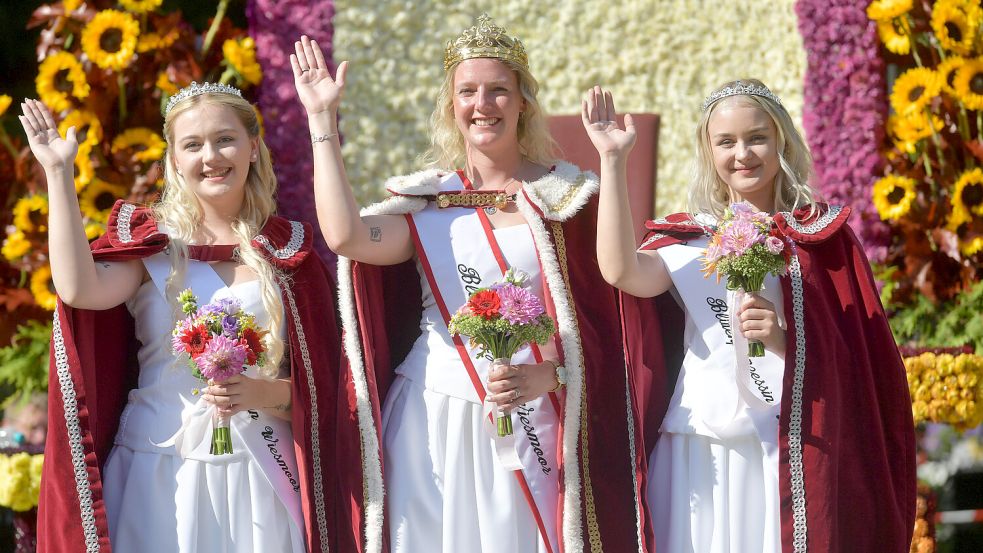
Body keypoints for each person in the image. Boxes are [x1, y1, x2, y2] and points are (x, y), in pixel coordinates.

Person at [292, 14, 647, 553]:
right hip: (431, 415)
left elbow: (608, 324)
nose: (483, 104)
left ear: (523, 102)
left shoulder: (567, 200)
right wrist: (322, 119)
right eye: (468, 91)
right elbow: (345, 236)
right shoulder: (426, 203)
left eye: (499, 90)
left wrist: (551, 376)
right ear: (451, 105)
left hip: (531, 415)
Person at [20, 83, 359, 552]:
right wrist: (58, 173)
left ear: (253, 148)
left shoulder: (287, 252)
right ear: (175, 159)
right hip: (159, 468)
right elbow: (80, 290)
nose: (211, 156)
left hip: (260, 474)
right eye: (193, 144)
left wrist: (264, 392)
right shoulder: (150, 247)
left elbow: (327, 387)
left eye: (225, 139)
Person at [585, 80, 916, 552]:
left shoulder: (823, 239)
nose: (743, 153)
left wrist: (786, 340)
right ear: (708, 150)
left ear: (781, 139)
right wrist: (613, 162)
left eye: (756, 137)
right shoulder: (693, 240)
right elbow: (620, 270)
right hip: (699, 444)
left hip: (786, 447)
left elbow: (864, 359)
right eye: (726, 142)